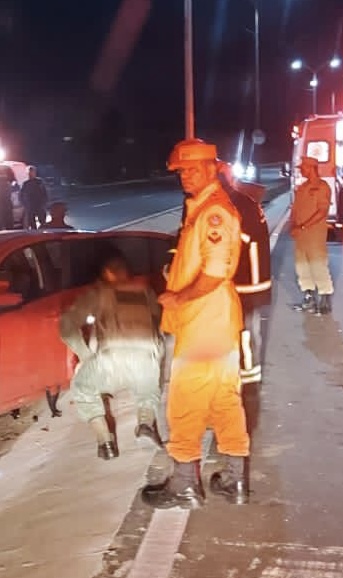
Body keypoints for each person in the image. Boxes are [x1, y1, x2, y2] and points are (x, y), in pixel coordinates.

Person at [141, 138, 250, 509]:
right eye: (181, 171)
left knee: (185, 403)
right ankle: (235, 481)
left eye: (192, 169)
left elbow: (217, 272)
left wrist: (177, 296)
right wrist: (177, 273)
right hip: (214, 322)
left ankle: (185, 484)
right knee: (223, 400)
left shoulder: (214, 213)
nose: (185, 176)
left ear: (211, 168)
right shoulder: (201, 209)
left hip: (204, 322)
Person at [59, 253, 164, 460]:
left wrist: (85, 355)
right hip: (146, 358)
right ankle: (145, 424)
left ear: (106, 274)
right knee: (149, 388)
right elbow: (159, 321)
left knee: (82, 386)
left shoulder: (99, 293)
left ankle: (105, 441)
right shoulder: (145, 291)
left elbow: (67, 327)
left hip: (112, 360)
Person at [217, 161, 272, 386]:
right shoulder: (246, 202)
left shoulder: (234, 205)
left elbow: (233, 243)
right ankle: (244, 377)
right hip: (252, 282)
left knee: (244, 334)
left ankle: (247, 385)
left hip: (244, 283)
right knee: (247, 333)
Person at [289, 156, 333, 315]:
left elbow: (322, 211)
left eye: (303, 168)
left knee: (318, 265)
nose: (301, 170)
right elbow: (295, 209)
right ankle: (309, 298)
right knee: (302, 267)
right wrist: (293, 225)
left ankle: (324, 300)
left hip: (314, 235)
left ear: (311, 168)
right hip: (300, 236)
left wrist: (302, 226)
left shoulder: (322, 187)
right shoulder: (302, 188)